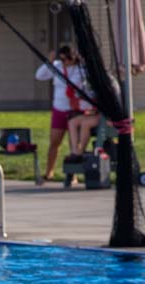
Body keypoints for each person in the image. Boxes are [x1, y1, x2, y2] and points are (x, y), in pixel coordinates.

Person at [34, 46, 86, 182]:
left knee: (74, 144)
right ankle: (49, 172)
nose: (64, 62)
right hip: (59, 109)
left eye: (67, 59)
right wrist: (49, 61)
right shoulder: (56, 66)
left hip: (75, 111)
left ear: (73, 57)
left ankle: (72, 175)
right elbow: (39, 76)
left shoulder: (80, 70)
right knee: (54, 142)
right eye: (61, 59)